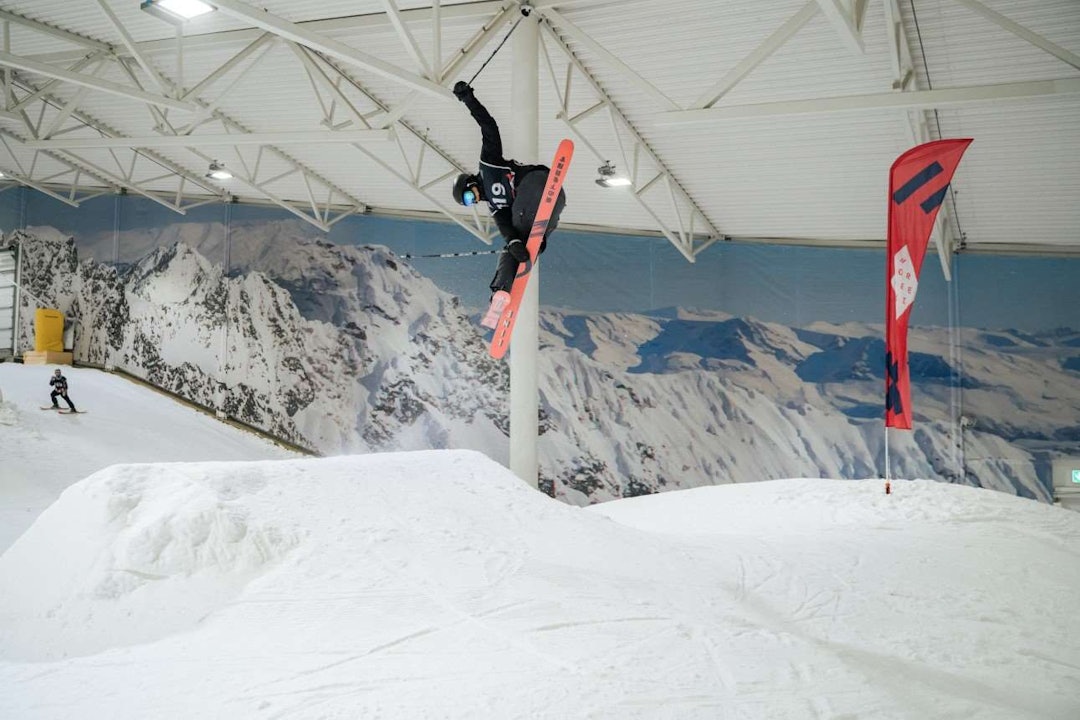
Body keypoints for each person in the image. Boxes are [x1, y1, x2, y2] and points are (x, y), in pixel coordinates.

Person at [451, 81, 567, 325]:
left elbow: (489, 127)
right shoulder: (495, 207)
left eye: (470, 196)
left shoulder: (488, 165)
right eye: (469, 203)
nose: (474, 200)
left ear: (470, 182)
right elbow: (505, 229)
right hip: (553, 204)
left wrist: (468, 99)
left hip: (535, 184)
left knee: (515, 238)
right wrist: (516, 245)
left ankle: (502, 287)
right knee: (515, 244)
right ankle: (501, 293)